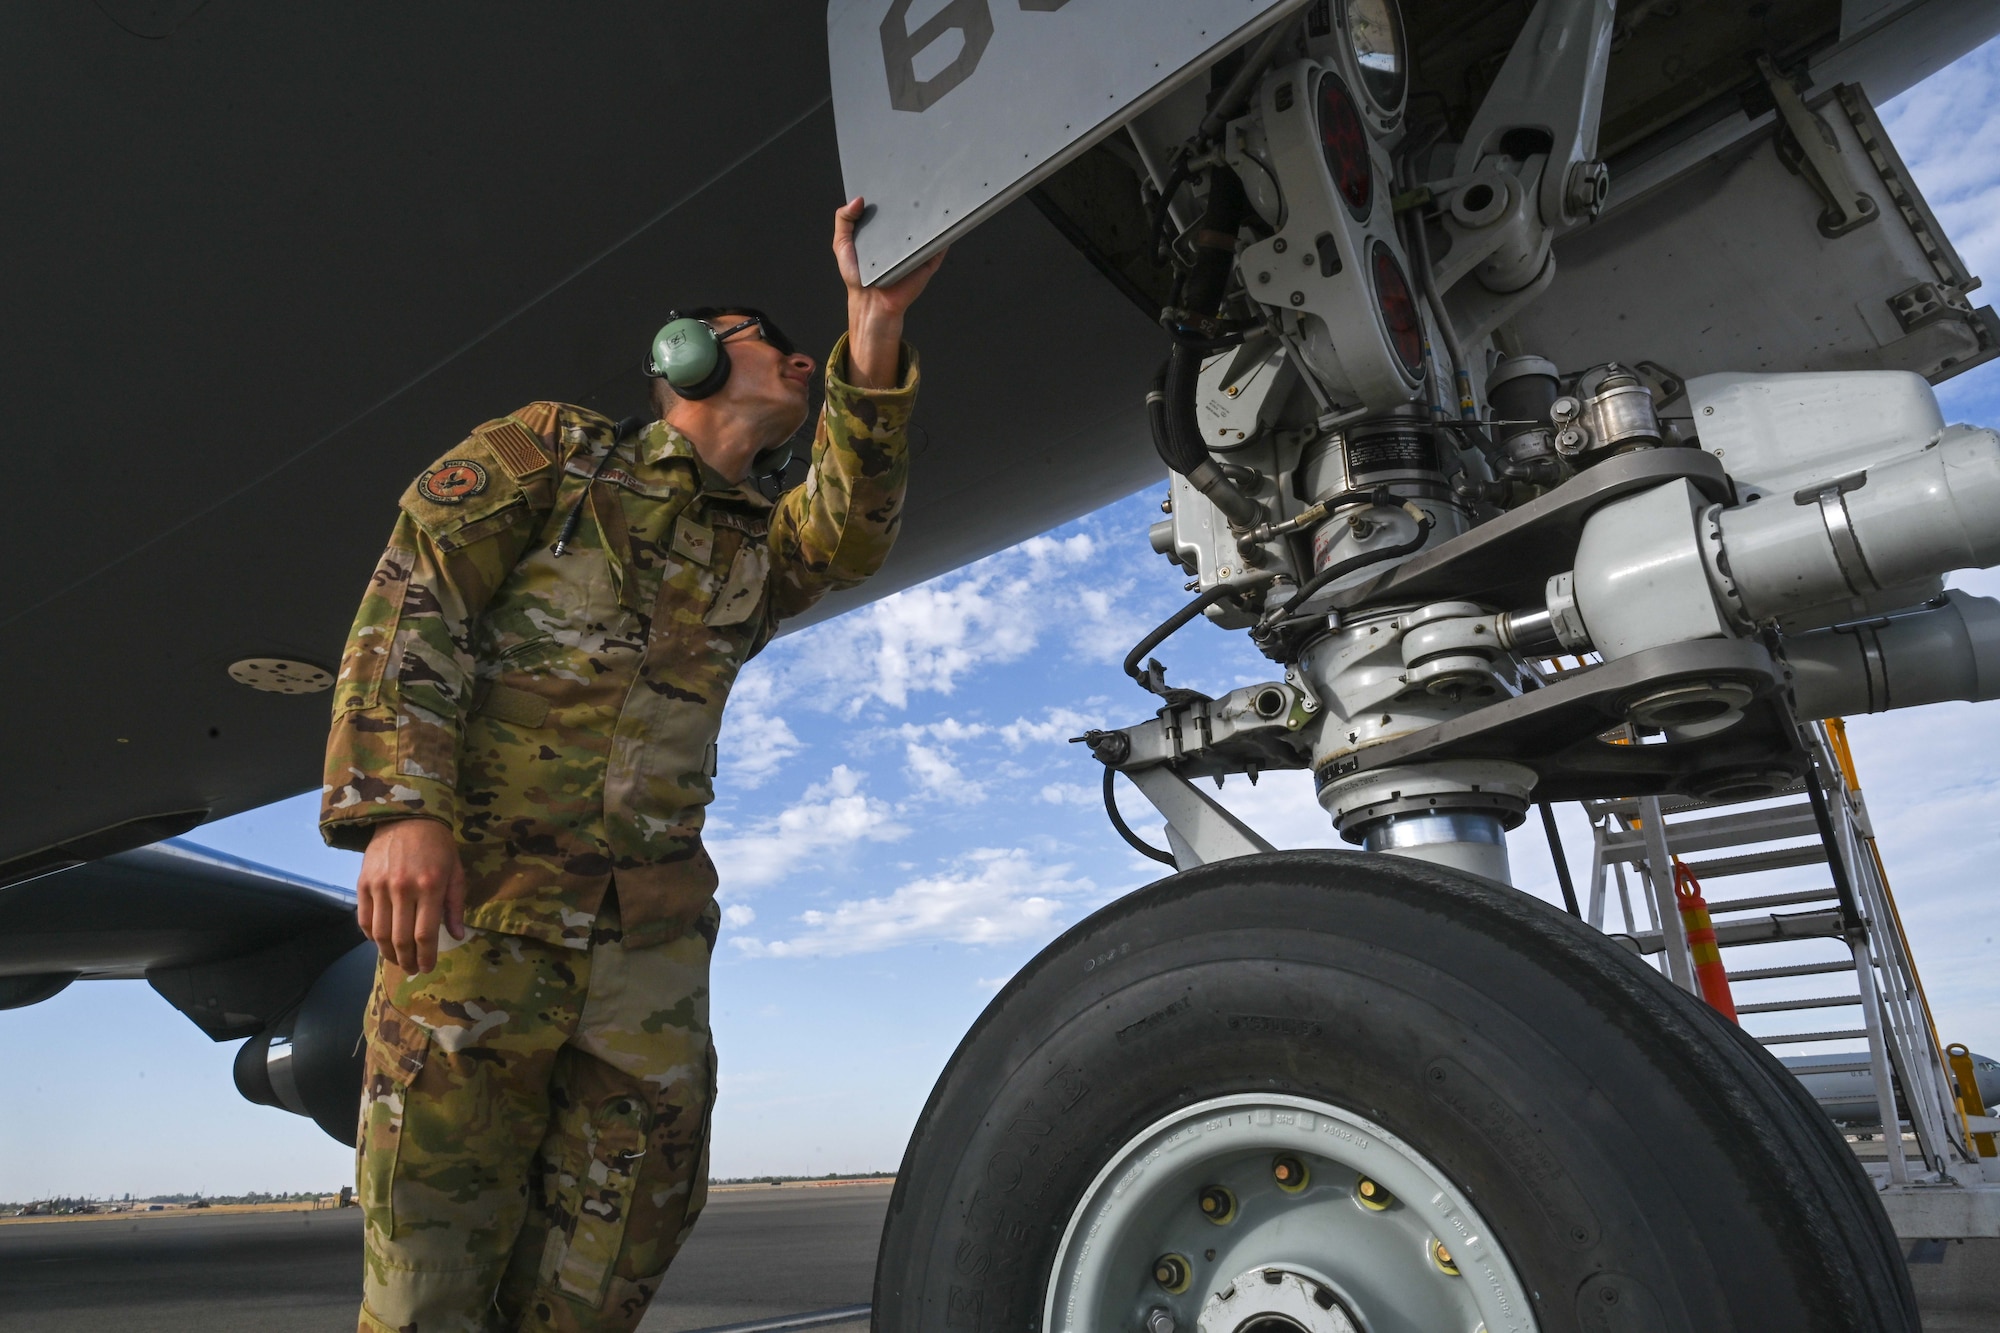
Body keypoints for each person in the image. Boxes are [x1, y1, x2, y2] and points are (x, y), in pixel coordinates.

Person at [319, 198, 943, 1333]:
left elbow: (850, 527)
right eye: (768, 338)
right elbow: (420, 588)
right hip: (480, 919)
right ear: (687, 355)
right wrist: (398, 809)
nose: (796, 358)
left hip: (644, 950)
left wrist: (873, 335)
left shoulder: (753, 546)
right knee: (429, 1269)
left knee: (623, 1238)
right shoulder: (557, 453)